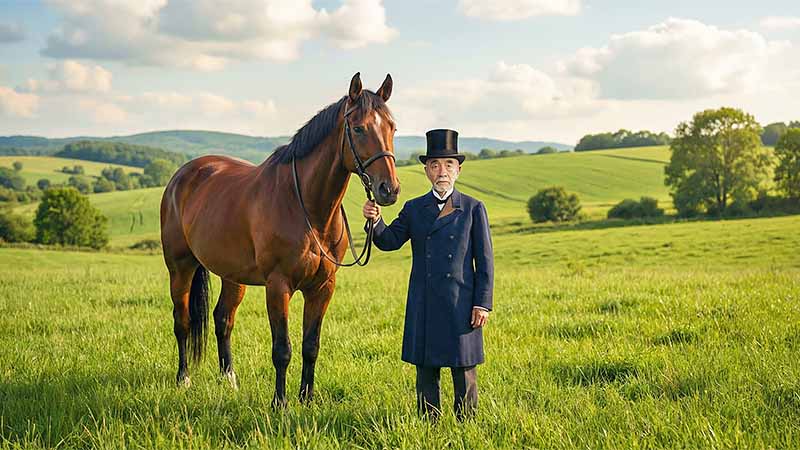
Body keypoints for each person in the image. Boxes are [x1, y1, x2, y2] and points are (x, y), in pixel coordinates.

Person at [362, 128, 494, 421]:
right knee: (426, 372)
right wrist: (375, 221)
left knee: (464, 372)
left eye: (448, 165)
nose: (442, 171)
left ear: (457, 170)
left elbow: (485, 263)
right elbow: (388, 241)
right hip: (425, 303)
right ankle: (428, 425)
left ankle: (467, 427)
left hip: (462, 303)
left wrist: (482, 304)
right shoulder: (413, 209)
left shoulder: (473, 208)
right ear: (426, 171)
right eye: (435, 165)